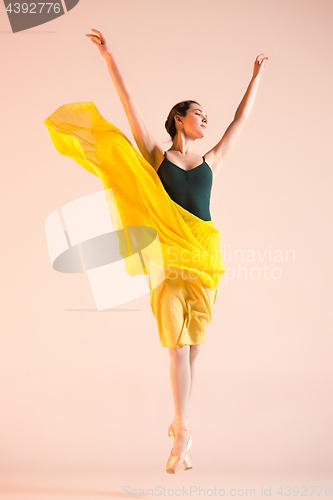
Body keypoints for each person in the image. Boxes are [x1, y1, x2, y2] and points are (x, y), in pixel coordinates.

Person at [45, 28, 268, 474]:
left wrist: (255, 76)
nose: (206, 120)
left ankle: (181, 430)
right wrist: (109, 57)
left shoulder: (211, 162)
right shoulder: (155, 156)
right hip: (167, 259)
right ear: (179, 119)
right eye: (198, 114)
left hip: (203, 258)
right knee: (176, 346)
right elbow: (128, 104)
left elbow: (239, 122)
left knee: (195, 344)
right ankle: (183, 428)